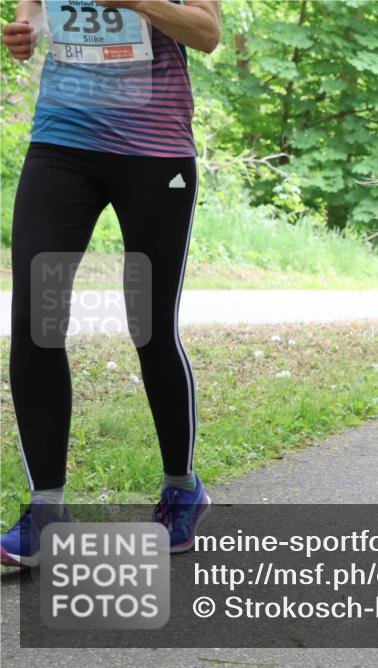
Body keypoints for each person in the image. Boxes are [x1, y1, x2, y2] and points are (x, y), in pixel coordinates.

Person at [0, 0, 221, 567]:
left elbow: (208, 32)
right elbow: (38, 7)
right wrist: (29, 28)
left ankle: (181, 487)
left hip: (154, 151)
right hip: (62, 142)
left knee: (148, 325)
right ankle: (47, 508)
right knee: (34, 320)